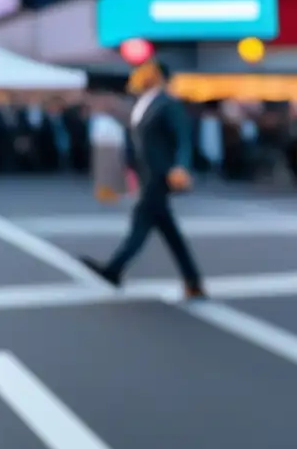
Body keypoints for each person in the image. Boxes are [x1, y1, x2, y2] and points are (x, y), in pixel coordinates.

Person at [80, 59, 206, 299]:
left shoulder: (166, 103)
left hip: (160, 174)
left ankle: (114, 269)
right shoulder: (143, 103)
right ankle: (193, 281)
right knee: (168, 230)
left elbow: (183, 137)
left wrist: (181, 165)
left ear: (157, 75)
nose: (139, 74)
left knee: (142, 222)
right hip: (146, 174)